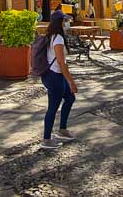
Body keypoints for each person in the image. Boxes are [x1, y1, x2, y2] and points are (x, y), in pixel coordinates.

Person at [40, 16, 78, 149]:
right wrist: (72, 82)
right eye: (65, 20)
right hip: (54, 76)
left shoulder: (52, 36)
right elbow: (62, 63)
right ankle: (46, 139)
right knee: (53, 107)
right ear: (60, 22)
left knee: (70, 98)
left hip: (53, 75)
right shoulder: (58, 38)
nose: (67, 23)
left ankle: (62, 130)